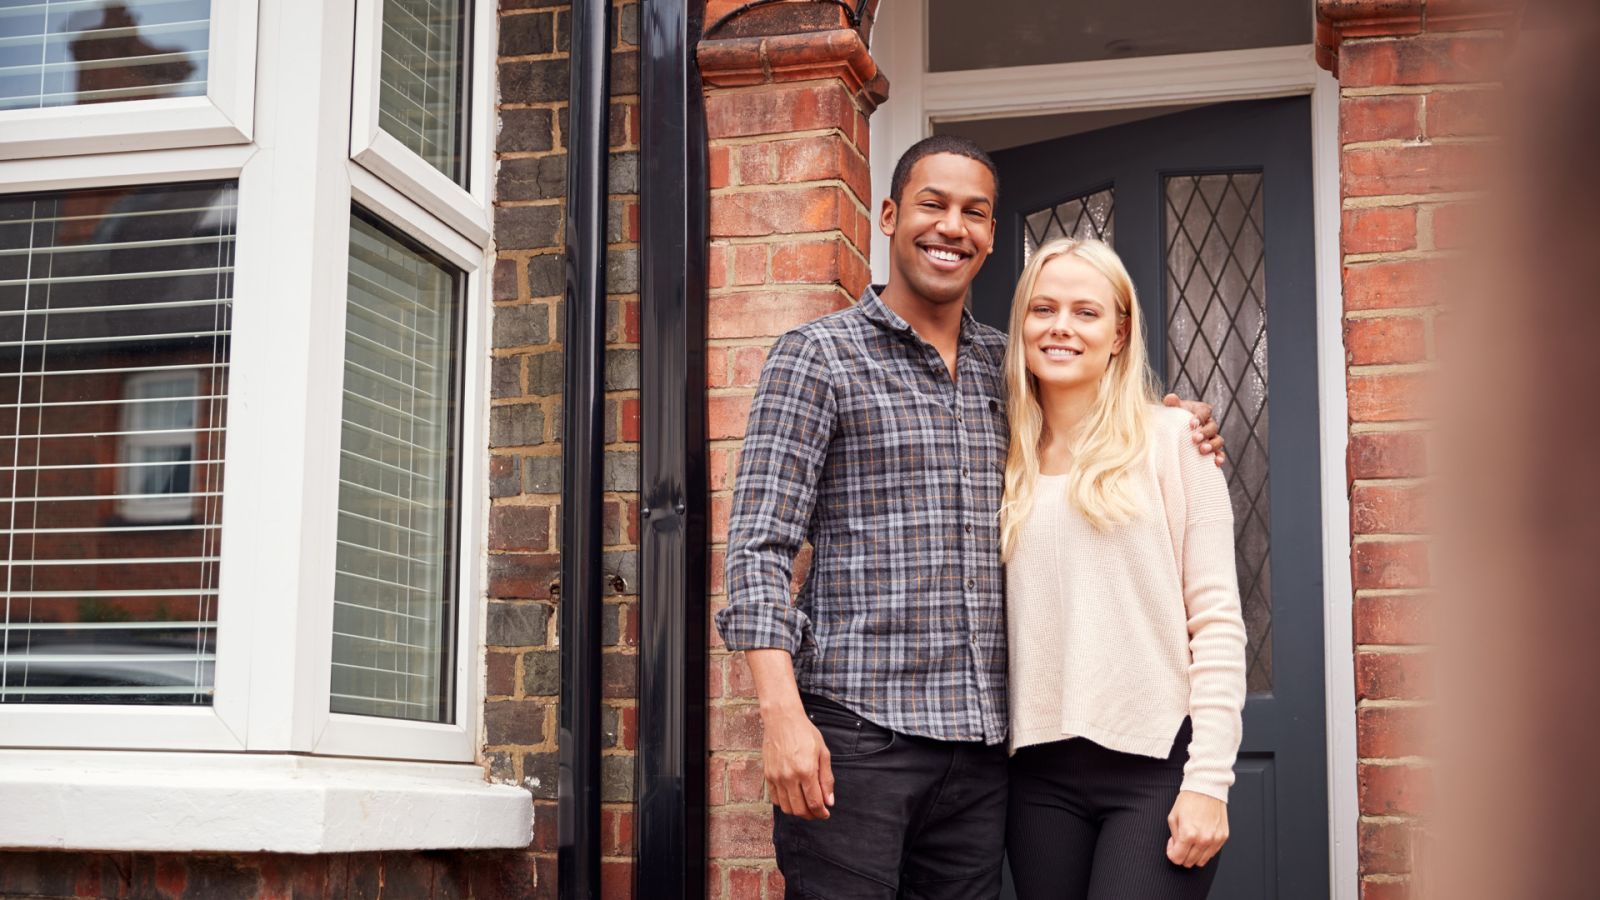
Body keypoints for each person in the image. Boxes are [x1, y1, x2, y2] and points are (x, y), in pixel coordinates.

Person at [714, 135, 1223, 899]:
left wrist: (1178, 425)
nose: (953, 227)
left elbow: (1099, 421)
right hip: (857, 740)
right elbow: (759, 547)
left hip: (984, 760)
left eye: (974, 213)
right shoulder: (817, 358)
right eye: (933, 204)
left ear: (989, 237)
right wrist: (781, 716)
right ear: (888, 215)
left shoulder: (1008, 369)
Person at [1000, 237, 1247, 900]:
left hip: (1155, 769)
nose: (1060, 327)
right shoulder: (1002, 458)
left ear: (1119, 332)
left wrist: (1208, 781)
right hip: (1037, 778)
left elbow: (1218, 621)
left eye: (1086, 312)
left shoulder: (1174, 443)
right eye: (1043, 308)